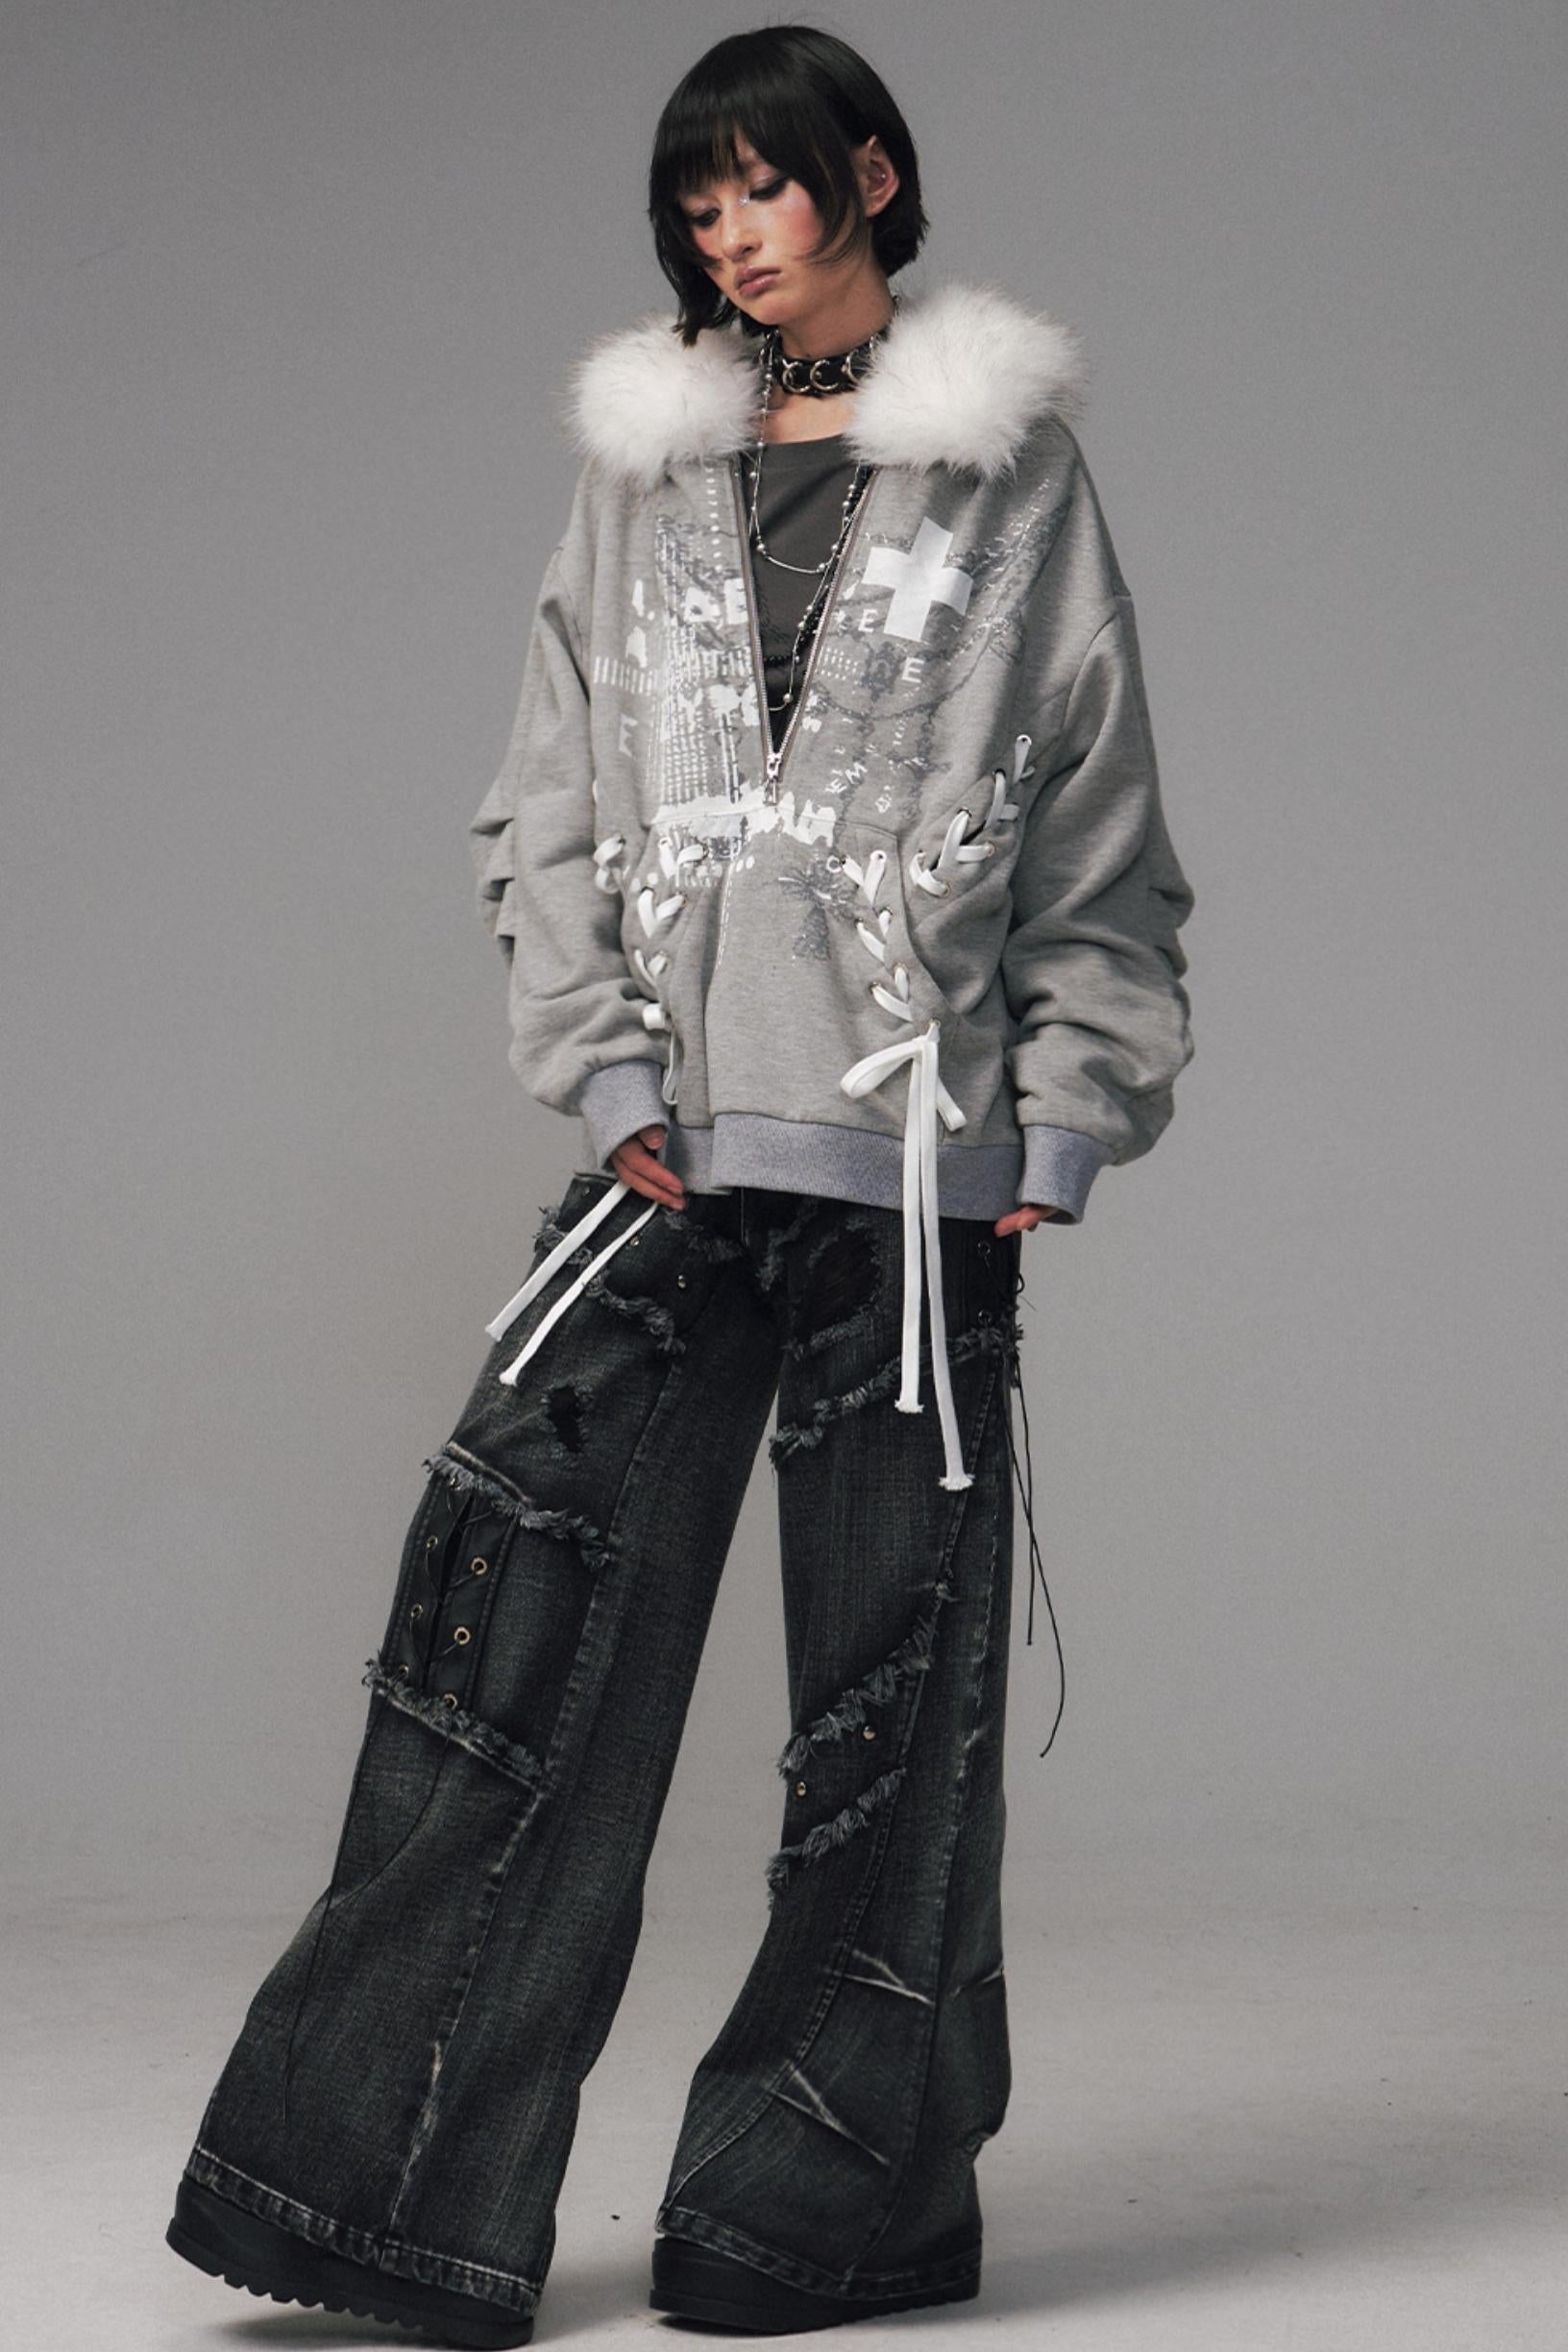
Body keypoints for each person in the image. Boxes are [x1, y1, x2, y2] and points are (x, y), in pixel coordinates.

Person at [164, 23, 1195, 2347]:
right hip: (673, 1152)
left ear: (872, 178)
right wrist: (598, 1056)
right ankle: (380, 2194)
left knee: (892, 1721)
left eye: (764, 185)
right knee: (508, 1651)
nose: (730, 232)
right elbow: (544, 794)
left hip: (912, 1182)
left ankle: (822, 2215)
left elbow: (1096, 809)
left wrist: (1066, 1110)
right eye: (696, 200)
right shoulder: (645, 472)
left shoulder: (1012, 473)